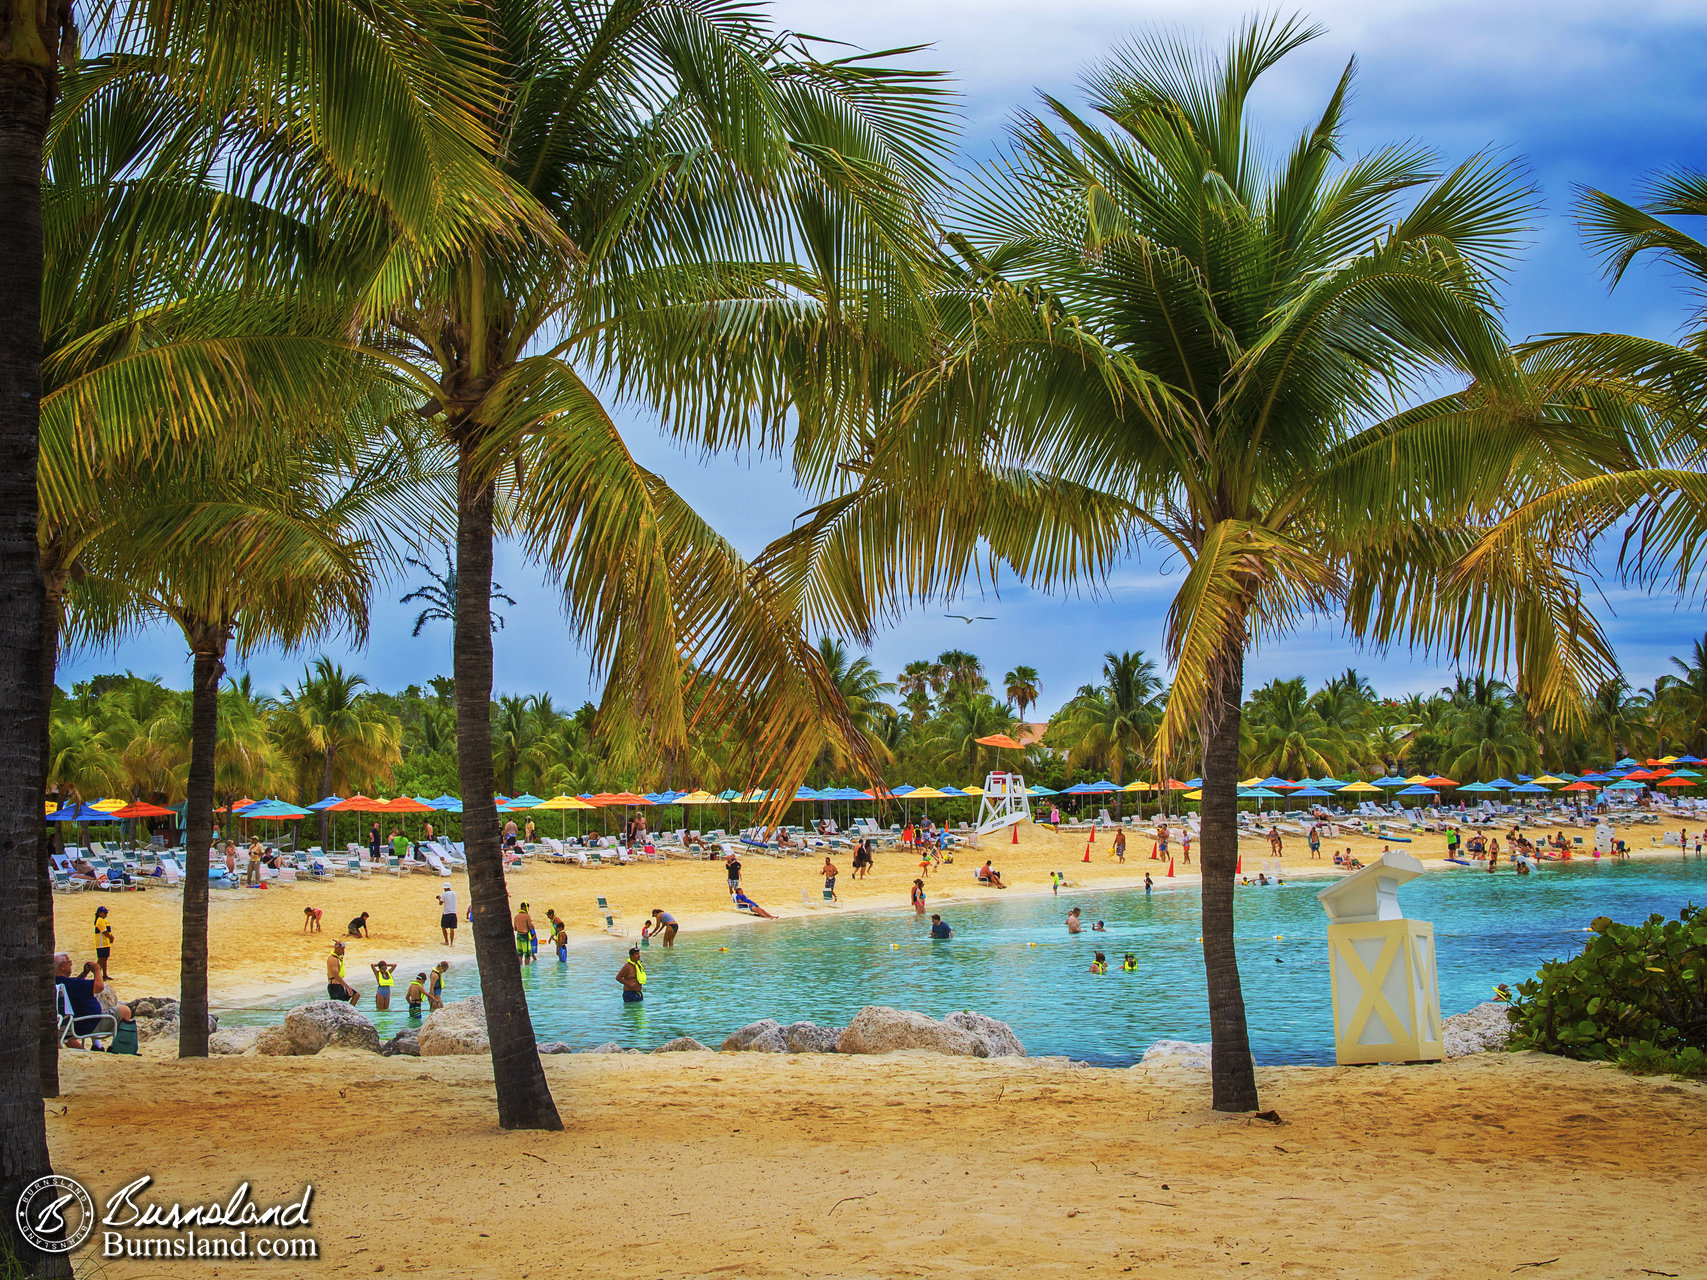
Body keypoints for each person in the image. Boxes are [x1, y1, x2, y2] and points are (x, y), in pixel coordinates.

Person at [54, 953, 131, 1047]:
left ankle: (93, 1047)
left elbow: (76, 984)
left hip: (66, 1027)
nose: (71, 965)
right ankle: (115, 1047)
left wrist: (84, 974)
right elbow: (99, 986)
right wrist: (97, 970)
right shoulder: (72, 984)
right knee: (124, 1010)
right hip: (87, 1025)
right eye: (69, 962)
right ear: (62, 966)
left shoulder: (57, 984)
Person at [93, 906, 113, 978]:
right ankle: (97, 975)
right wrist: (111, 937)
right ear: (100, 913)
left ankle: (104, 975)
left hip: (105, 943)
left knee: (104, 959)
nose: (106, 914)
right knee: (101, 959)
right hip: (101, 943)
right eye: (105, 913)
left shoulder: (103, 920)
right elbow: (104, 931)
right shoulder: (100, 920)